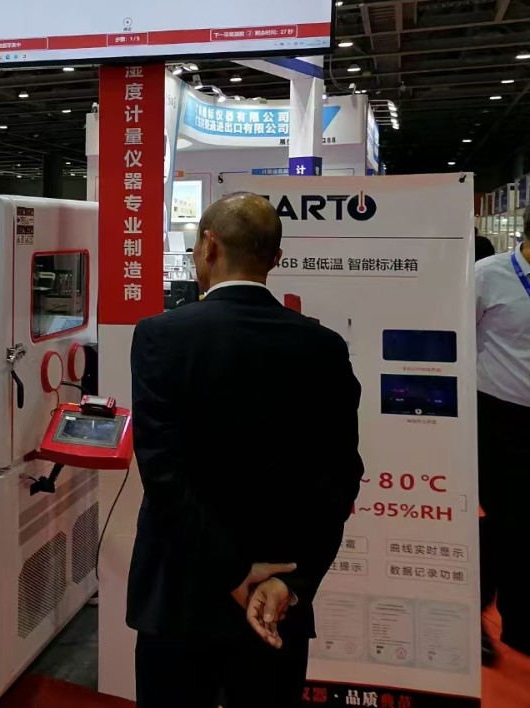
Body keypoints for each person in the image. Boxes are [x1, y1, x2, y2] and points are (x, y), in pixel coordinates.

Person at [126, 192, 362, 708]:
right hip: (276, 595)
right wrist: (294, 583)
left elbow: (163, 476)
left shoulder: (162, 336)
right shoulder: (324, 347)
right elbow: (341, 477)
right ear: (276, 258)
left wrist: (231, 572)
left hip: (180, 592)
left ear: (208, 246)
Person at [476, 211, 530, 662]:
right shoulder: (487, 276)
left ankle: (520, 621)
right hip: (499, 414)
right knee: (504, 518)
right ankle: (473, 608)